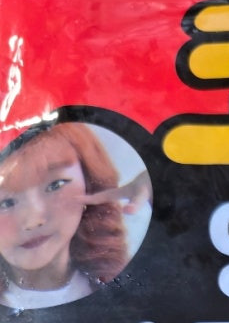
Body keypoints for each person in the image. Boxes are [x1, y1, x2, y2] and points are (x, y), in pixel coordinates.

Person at [0, 122, 150, 310]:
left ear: (89, 183)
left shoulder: (125, 286)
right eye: (5, 203)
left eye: (55, 185)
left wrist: (169, 194)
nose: (33, 221)